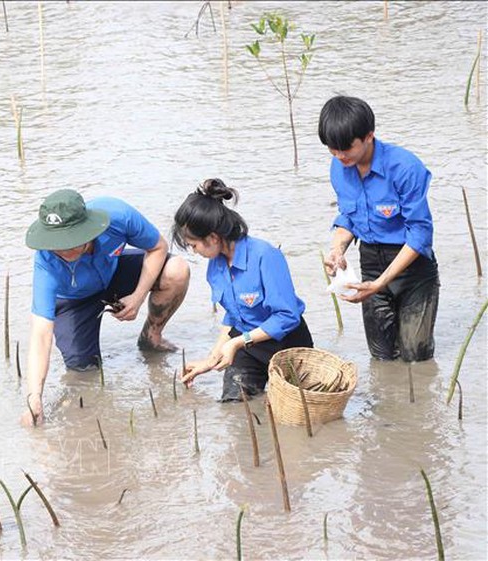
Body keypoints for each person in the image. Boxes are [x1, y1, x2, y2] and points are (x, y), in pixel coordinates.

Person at [22, 189, 190, 424]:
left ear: (87, 230)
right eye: (55, 244)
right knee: (84, 372)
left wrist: (138, 296)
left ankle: (151, 337)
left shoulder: (117, 216)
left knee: (177, 270)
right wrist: (34, 397)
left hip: (112, 273)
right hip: (73, 301)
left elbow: (158, 247)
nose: (62, 250)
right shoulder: (47, 261)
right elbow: (41, 334)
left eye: (69, 242)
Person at [319, 95, 439, 361]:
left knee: (415, 356)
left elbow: (420, 234)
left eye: (346, 148)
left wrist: (382, 282)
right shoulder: (339, 167)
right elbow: (349, 217)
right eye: (332, 149)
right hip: (371, 260)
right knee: (382, 357)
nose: (339, 156)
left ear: (369, 136)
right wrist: (337, 248)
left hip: (412, 267)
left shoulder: (405, 168)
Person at [173, 179, 313, 401]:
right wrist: (211, 359)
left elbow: (287, 317)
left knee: (293, 411)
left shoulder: (265, 256)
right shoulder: (215, 267)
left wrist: (238, 342)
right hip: (246, 346)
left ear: (212, 237)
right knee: (235, 406)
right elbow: (232, 317)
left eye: (194, 245)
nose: (194, 251)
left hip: (286, 344)